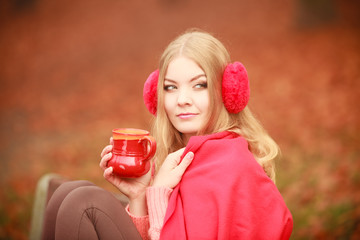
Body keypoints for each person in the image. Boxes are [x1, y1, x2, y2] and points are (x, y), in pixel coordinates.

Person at [41, 29, 293, 240]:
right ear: (157, 96)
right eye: (171, 88)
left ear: (227, 90)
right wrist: (140, 196)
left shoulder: (234, 166)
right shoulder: (182, 158)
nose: (182, 100)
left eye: (199, 85)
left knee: (85, 203)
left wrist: (159, 190)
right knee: (67, 193)